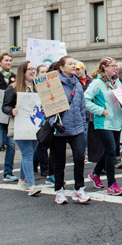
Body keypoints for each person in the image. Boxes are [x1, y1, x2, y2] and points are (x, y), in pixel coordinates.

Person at [47, 56, 90, 204]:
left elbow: (82, 106)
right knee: (59, 162)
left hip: (77, 128)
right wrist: (53, 122)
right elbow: (46, 107)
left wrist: (83, 124)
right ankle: (59, 191)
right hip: (60, 128)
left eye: (75, 63)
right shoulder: (53, 84)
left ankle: (79, 189)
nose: (74, 66)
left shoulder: (77, 84)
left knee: (79, 158)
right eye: (70, 64)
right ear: (61, 67)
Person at [84, 57, 122, 196]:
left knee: (109, 150)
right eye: (112, 66)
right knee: (111, 150)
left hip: (116, 120)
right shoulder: (96, 83)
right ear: (104, 68)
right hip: (104, 122)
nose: (115, 68)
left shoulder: (117, 81)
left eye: (116, 65)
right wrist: (100, 111)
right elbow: (85, 99)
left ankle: (95, 173)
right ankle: (112, 184)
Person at [5, 60, 42, 196]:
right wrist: (11, 111)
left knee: (30, 153)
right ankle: (31, 185)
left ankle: (22, 180)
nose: (33, 71)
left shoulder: (38, 86)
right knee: (27, 154)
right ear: (23, 72)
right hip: (20, 125)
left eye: (34, 68)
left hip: (35, 125)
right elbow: (5, 106)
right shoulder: (13, 88)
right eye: (30, 69)